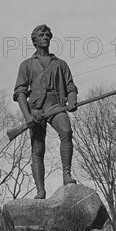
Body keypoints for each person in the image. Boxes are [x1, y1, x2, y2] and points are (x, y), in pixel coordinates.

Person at [13, 24, 78, 199]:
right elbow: (20, 92)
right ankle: (40, 190)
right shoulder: (26, 65)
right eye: (41, 35)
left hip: (56, 106)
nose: (45, 37)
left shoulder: (60, 64)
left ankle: (66, 175)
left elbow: (70, 86)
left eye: (47, 34)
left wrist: (71, 101)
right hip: (35, 109)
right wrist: (27, 116)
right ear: (34, 40)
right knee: (37, 148)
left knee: (66, 130)